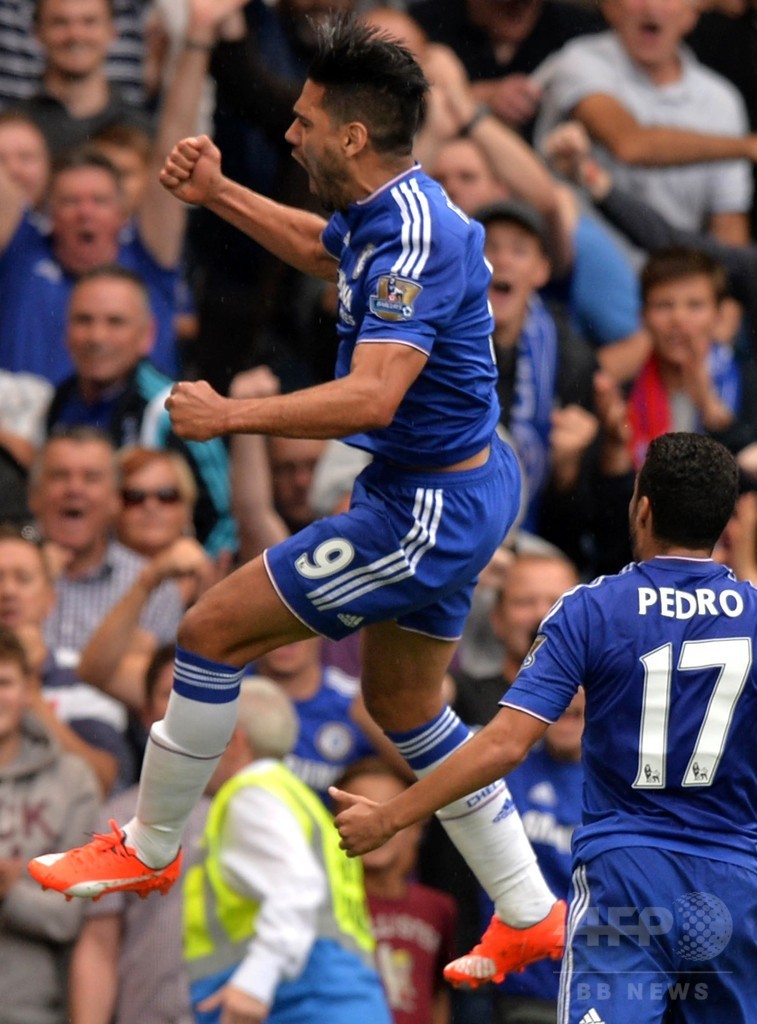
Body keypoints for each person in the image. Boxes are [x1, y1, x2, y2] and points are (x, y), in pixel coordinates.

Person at [29, 16, 566, 988]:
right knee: (402, 704)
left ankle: (148, 845)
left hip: (426, 510)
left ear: (352, 137)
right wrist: (218, 193)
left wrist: (230, 416)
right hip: (446, 487)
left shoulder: (415, 234)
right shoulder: (384, 210)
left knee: (207, 631)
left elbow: (373, 396)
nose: (289, 132)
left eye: (305, 119)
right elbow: (327, 253)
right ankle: (529, 912)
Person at [331, 431, 757, 1022]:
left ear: (643, 508)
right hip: (736, 884)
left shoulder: (594, 607)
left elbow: (505, 745)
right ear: (724, 523)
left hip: (627, 880)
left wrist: (391, 816)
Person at [183, 675, 392, 1024]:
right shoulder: (299, 800)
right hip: (340, 1003)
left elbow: (296, 886)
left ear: (235, 740)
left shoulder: (251, 794)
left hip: (303, 1007)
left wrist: (254, 982)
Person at [45, 265, 236, 554]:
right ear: (66, 331)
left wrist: (193, 578)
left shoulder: (174, 408)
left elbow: (224, 521)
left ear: (148, 335)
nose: (96, 337)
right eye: (84, 320)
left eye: (115, 322)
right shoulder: (59, 400)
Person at [532, 0, 756, 247]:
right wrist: (747, 147)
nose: (652, 7)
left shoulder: (721, 100)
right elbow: (629, 145)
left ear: (690, 15)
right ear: (610, 7)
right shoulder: (577, 61)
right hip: (577, 262)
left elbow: (729, 223)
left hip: (675, 267)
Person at [0, 623, 100, 1024]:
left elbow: (69, 916)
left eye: (4, 682)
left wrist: (10, 891)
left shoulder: (72, 781)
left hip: (34, 1009)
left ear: (28, 689)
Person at [28, 427, 184, 663]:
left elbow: (159, 682)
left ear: (115, 500)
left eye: (91, 478)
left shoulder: (157, 589)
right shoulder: (6, 574)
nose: (74, 489)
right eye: (59, 476)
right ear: (33, 496)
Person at [336, 758, 457, 1024]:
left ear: (416, 825)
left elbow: (438, 995)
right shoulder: (323, 905)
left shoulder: (438, 909)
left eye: (385, 815)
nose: (373, 826)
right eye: (356, 813)